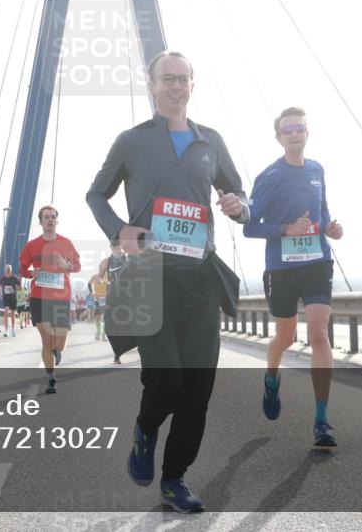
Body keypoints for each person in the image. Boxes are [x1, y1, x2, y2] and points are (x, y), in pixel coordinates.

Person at [86, 50, 249, 513]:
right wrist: (119, 230)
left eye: (184, 79)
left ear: (192, 85)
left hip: (199, 280)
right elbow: (95, 192)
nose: (176, 87)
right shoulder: (131, 142)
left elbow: (238, 192)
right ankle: (144, 429)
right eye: (168, 79)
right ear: (152, 86)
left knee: (198, 392)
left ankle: (174, 479)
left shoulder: (210, 142)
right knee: (167, 384)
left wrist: (240, 207)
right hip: (146, 278)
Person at [243, 106, 343, 447]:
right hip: (281, 269)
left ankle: (321, 420)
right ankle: (271, 377)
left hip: (317, 262)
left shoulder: (317, 170)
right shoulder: (270, 176)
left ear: (307, 132)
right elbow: (249, 227)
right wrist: (286, 229)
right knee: (285, 337)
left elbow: (323, 211)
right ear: (279, 137)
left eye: (300, 127)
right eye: (288, 130)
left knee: (318, 334)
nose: (295, 133)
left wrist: (331, 227)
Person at [19, 205, 81, 394]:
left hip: (61, 297)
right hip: (39, 297)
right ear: (40, 222)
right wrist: (31, 273)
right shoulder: (31, 245)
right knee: (47, 340)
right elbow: (21, 269)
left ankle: (57, 351)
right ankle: (51, 377)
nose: (50, 220)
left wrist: (67, 264)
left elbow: (77, 266)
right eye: (46, 217)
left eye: (53, 217)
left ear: (57, 221)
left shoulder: (66, 243)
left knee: (59, 342)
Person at [98, 239, 128, 351]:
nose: (117, 249)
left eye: (119, 246)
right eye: (115, 247)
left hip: (128, 293)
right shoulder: (106, 262)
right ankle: (117, 352)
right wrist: (100, 281)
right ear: (111, 247)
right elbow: (100, 277)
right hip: (113, 294)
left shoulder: (128, 258)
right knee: (113, 320)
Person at [0, 264, 21, 337]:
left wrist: (16, 288)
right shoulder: (3, 278)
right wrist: (0, 293)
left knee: (13, 313)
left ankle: (13, 329)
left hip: (13, 298)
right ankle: (6, 331)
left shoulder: (14, 278)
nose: (8, 270)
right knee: (6, 312)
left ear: (11, 270)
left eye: (9, 269)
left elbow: (20, 287)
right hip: (6, 297)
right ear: (4, 270)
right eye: (6, 269)